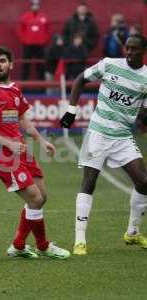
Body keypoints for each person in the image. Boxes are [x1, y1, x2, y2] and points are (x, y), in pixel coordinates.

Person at [0, 46, 70, 259]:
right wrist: (8, 144)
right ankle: (43, 246)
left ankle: (17, 245)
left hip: (21, 150)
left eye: (2, 60)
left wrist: (41, 140)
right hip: (2, 155)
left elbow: (22, 118)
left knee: (41, 197)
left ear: (11, 64)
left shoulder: (15, 89)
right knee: (34, 198)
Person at [60, 34, 147, 255]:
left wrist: (144, 119)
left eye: (134, 49)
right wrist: (71, 110)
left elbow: (143, 114)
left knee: (144, 182)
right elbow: (81, 78)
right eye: (127, 48)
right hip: (97, 132)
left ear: (143, 51)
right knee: (89, 181)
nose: (128, 52)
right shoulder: (109, 64)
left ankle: (133, 233)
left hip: (122, 136)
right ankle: (80, 239)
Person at [17, 0, 50, 80]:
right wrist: (24, 40)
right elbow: (20, 30)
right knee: (25, 65)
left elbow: (48, 31)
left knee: (41, 65)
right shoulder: (24, 17)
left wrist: (44, 40)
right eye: (33, 5)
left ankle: (42, 88)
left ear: (39, 6)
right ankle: (23, 87)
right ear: (31, 6)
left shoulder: (44, 17)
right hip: (27, 45)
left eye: (37, 5)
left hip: (40, 45)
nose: (35, 6)